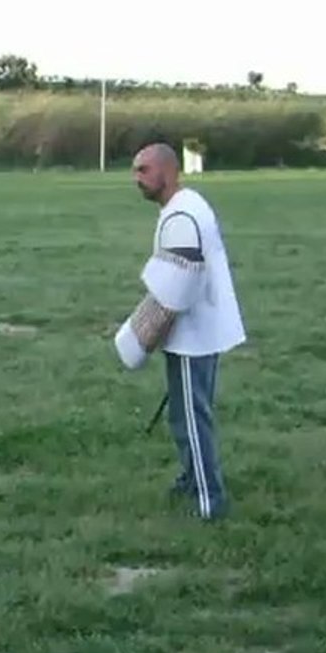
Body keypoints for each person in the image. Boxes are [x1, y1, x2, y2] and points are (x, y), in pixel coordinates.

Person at [114, 143, 246, 520]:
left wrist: (142, 337)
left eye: (144, 170)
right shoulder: (188, 204)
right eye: (135, 170)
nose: (136, 178)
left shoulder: (181, 217)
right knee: (184, 414)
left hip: (194, 335)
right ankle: (192, 481)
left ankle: (210, 501)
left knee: (191, 416)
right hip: (198, 330)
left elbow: (177, 289)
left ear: (168, 172)